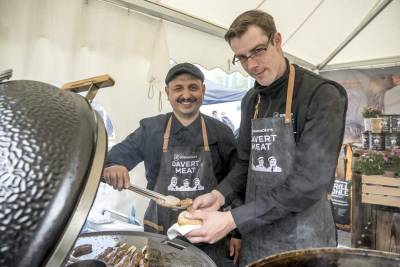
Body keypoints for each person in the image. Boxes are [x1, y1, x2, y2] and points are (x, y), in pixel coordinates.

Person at [184, 10, 348, 266]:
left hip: (304, 239)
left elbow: (308, 183)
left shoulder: (322, 95)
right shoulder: (252, 99)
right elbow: (244, 163)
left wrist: (232, 220)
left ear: (278, 40)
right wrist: (219, 195)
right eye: (242, 58)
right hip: (258, 235)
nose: (252, 66)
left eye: (258, 51)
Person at [103, 63, 239, 266]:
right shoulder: (151, 129)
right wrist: (114, 164)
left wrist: (237, 232)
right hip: (161, 231)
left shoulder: (221, 132)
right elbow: (119, 154)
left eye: (193, 87)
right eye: (178, 88)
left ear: (203, 90)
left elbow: (237, 181)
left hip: (210, 232)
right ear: (167, 92)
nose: (186, 95)